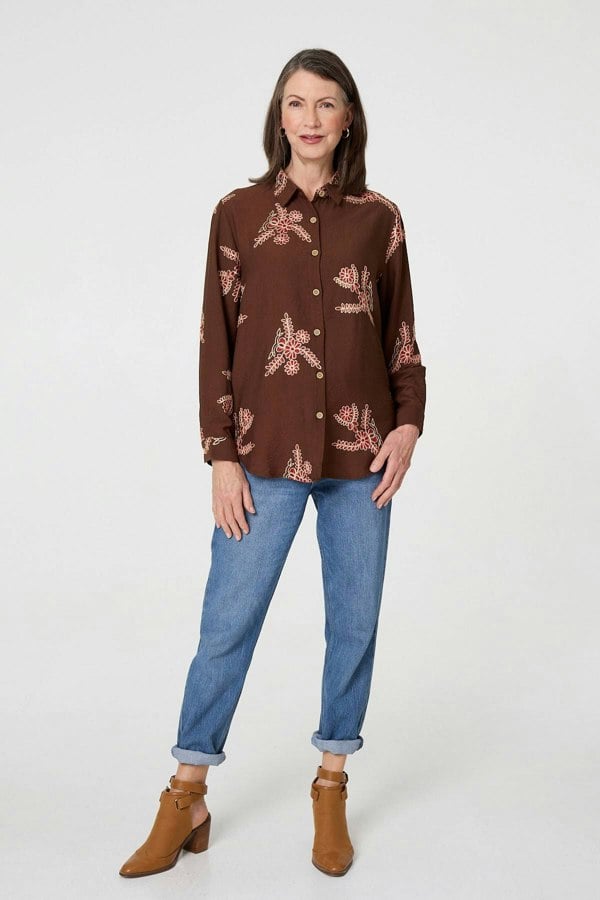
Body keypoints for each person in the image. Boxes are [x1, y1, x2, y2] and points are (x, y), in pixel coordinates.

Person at [119, 47, 426, 880]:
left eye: (326, 103)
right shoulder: (239, 213)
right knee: (228, 621)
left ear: (349, 118)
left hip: (363, 455)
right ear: (278, 116)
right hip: (261, 453)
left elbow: (401, 338)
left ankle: (331, 783)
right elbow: (214, 340)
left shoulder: (380, 219)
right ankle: (186, 795)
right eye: (296, 102)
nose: (311, 118)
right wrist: (220, 456)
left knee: (354, 623)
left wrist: (408, 426)